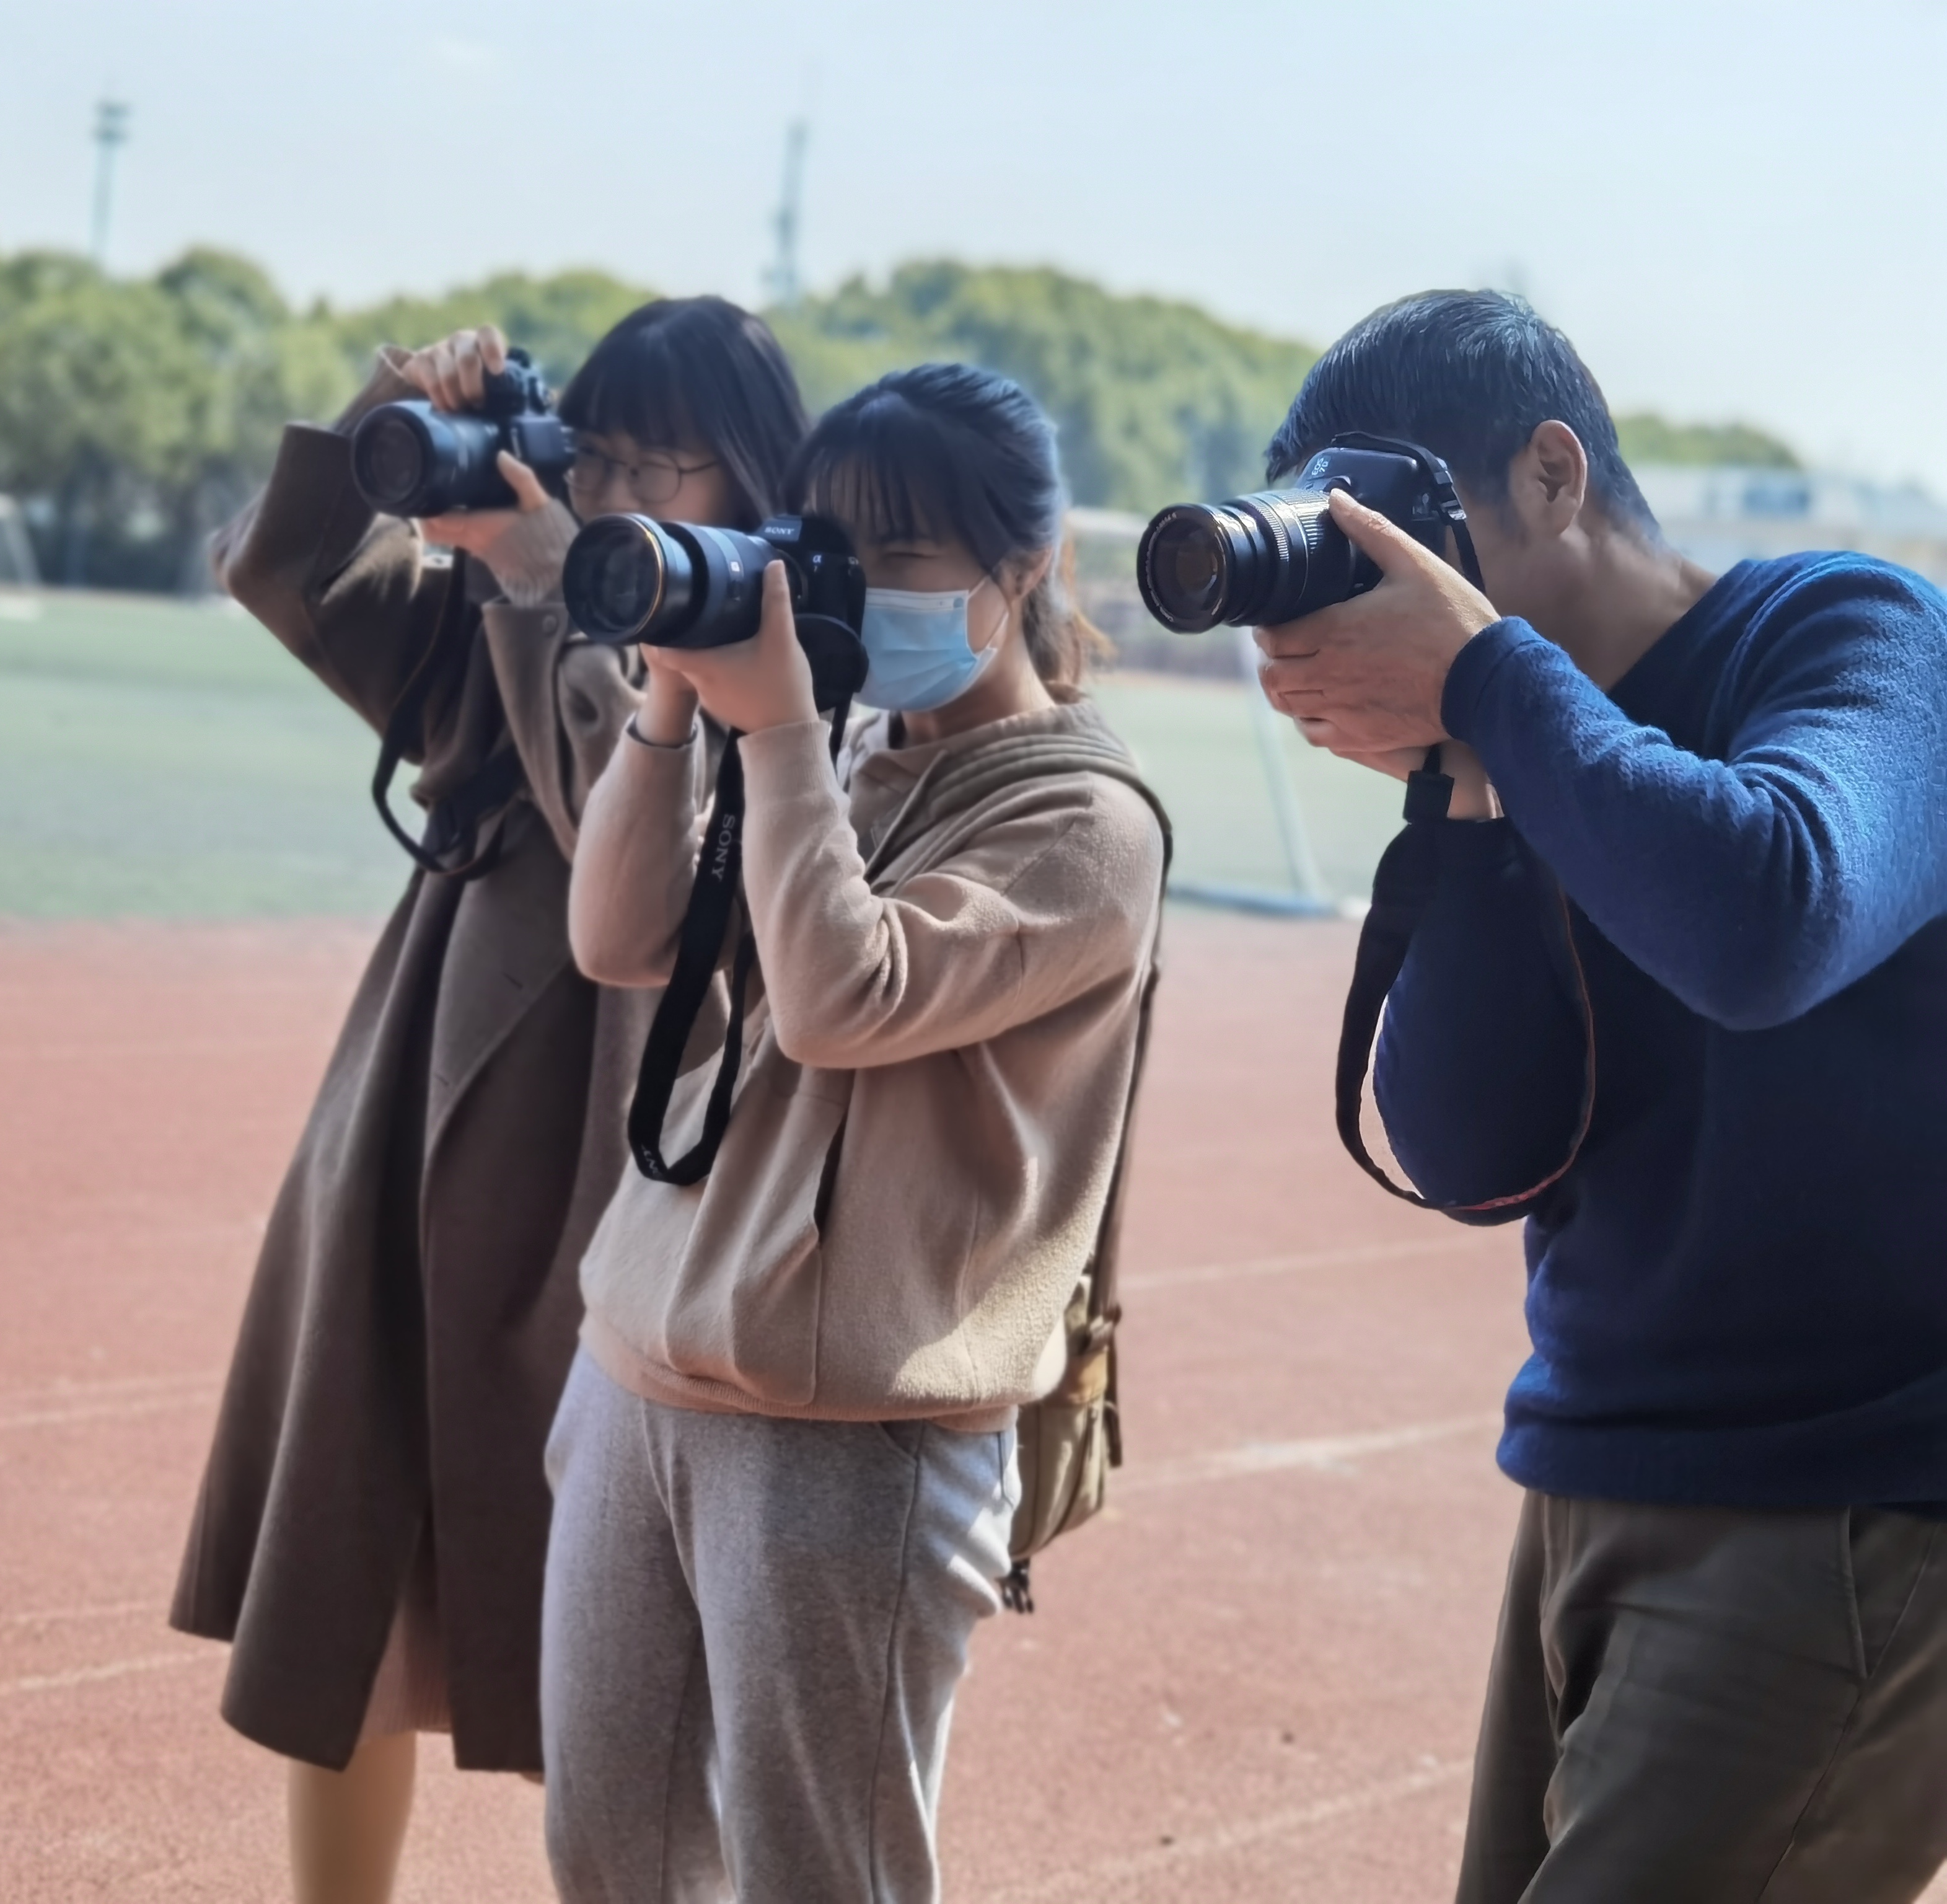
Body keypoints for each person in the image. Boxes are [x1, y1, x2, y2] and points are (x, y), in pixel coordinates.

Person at [1254, 289, 1947, 1902]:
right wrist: (1472, 794)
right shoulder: (1519, 734)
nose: (1384, 598)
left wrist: (1493, 688)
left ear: (1555, 477)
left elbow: (1772, 913)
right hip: (1595, 1472)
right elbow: (1473, 1148)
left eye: (1409, 541)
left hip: (1848, 1500)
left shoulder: (1856, 633)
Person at [171, 298, 808, 1904]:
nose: (637, 493)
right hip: (411, 1141)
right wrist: (391, 407)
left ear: (755, 483)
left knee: (628, 1657)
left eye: (679, 463)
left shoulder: (783, 662)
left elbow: (636, 833)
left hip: (612, 1177)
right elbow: (291, 569)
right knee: (347, 1586)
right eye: (609, 455)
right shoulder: (499, 612)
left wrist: (545, 593)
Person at [541, 363, 1167, 1902]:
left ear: (1026, 567)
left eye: (906, 553)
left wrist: (772, 744)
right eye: (833, 547)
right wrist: (676, 697)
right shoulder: (839, 755)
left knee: (822, 1878)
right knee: (610, 1861)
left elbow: (840, 999)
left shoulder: (1085, 825)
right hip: (646, 1371)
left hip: (847, 1444)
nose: (860, 588)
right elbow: (616, 938)